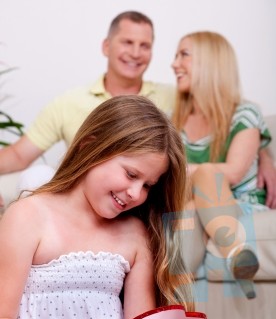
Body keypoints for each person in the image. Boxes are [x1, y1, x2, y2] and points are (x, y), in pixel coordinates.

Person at [0, 96, 275, 319]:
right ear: (90, 146)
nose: (135, 193)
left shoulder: (134, 233)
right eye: (131, 174)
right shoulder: (28, 215)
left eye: (148, 185)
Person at [0, 11, 276, 209]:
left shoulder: (172, 99)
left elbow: (228, 114)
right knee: (37, 177)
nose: (135, 53)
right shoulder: (68, 103)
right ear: (107, 46)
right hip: (87, 199)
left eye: (144, 46)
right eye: (127, 43)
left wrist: (264, 155)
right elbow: (17, 155)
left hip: (137, 204)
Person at [171, 31, 273, 299]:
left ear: (210, 63)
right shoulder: (175, 122)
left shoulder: (245, 113)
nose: (174, 64)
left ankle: (233, 253)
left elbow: (235, 171)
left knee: (206, 174)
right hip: (193, 208)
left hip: (236, 204)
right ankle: (233, 257)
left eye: (184, 54)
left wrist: (186, 173)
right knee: (188, 204)